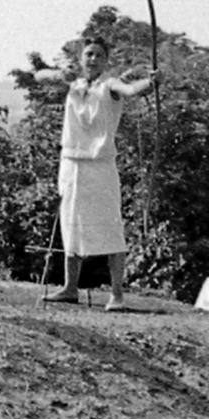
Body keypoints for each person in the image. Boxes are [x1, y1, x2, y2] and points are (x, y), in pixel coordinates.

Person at [39, 35, 157, 311]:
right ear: (81, 58)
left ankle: (117, 294)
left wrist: (150, 83)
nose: (93, 59)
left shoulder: (110, 84)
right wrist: (59, 73)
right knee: (70, 224)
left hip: (100, 165)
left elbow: (131, 91)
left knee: (109, 225)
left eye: (98, 56)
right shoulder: (74, 83)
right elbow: (38, 75)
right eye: (88, 54)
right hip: (71, 163)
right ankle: (70, 288)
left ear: (106, 61)